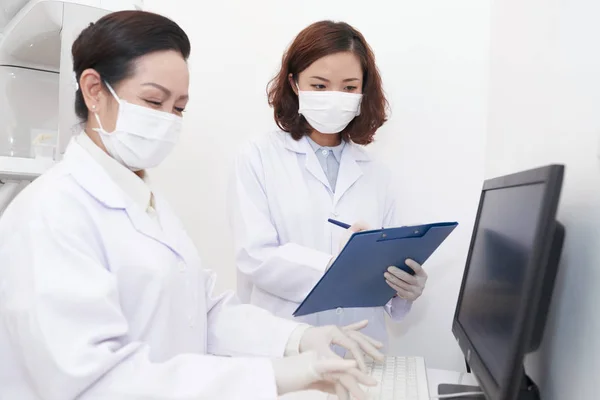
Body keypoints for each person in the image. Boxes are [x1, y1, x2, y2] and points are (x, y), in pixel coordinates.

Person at [0, 11, 384, 400]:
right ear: (94, 90)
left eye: (179, 107)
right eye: (153, 100)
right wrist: (273, 376)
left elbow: (205, 308)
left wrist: (298, 338)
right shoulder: (49, 215)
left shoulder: (146, 203)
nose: (168, 120)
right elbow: (97, 384)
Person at [230, 21, 429, 350]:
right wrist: (338, 267)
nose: (334, 97)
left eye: (349, 88)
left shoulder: (378, 174)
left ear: (364, 90)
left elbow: (389, 261)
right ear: (294, 83)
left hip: (362, 349)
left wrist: (403, 287)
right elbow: (255, 257)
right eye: (320, 86)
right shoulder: (257, 157)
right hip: (284, 346)